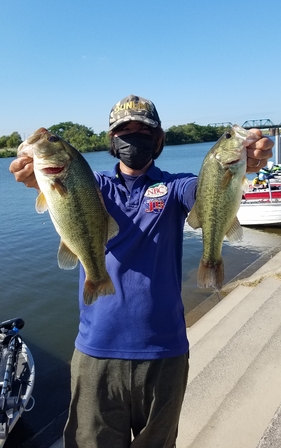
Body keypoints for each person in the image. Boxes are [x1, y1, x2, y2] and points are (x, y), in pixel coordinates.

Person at [9, 95, 274, 448]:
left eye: (143, 130)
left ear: (159, 139)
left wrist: (244, 165)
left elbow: (205, 193)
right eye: (123, 130)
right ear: (112, 140)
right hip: (96, 353)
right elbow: (63, 189)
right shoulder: (95, 185)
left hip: (165, 353)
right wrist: (33, 175)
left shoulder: (176, 185)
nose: (133, 137)